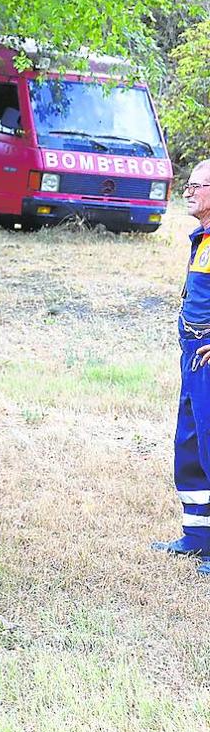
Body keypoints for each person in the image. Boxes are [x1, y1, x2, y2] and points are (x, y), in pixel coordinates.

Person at [154, 158, 210, 574]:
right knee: (189, 443)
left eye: (196, 186)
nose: (188, 192)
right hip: (191, 355)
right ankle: (197, 536)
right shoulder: (202, 237)